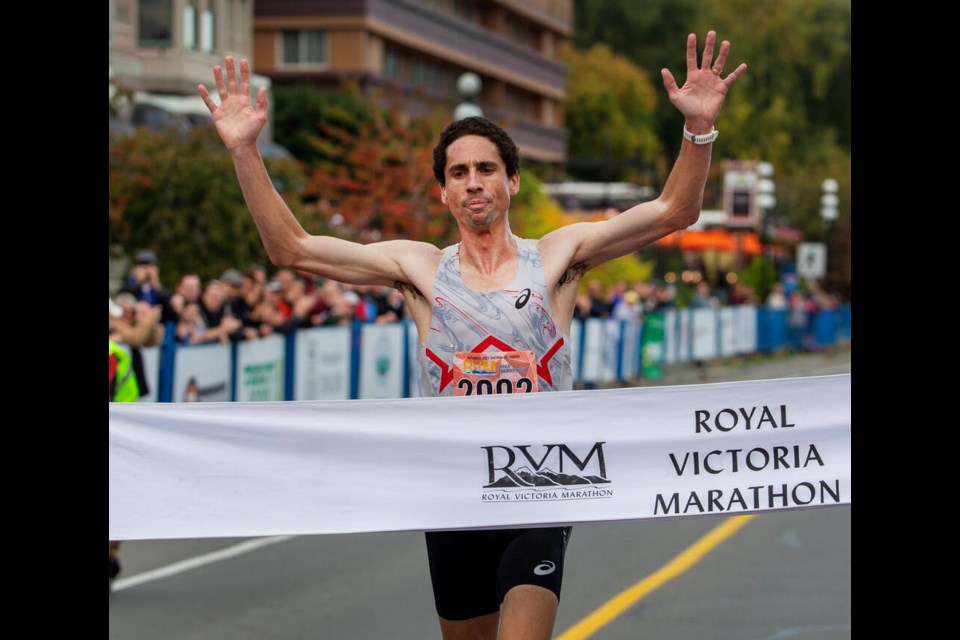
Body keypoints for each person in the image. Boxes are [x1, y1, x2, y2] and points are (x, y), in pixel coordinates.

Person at [199, 30, 745, 640]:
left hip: (540, 480)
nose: (473, 181)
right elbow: (292, 249)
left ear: (511, 182)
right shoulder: (420, 269)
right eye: (459, 173)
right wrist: (245, 151)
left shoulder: (559, 255)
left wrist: (698, 131)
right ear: (444, 191)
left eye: (487, 169)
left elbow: (674, 211)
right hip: (452, 487)